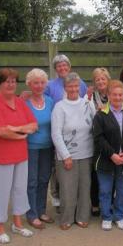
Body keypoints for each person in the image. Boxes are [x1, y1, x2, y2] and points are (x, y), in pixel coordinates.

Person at [0, 68, 37, 244]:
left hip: (20, 155)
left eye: (14, 81)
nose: (11, 84)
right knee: (1, 192)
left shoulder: (20, 103)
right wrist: (21, 132)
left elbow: (34, 125)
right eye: (7, 81)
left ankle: (17, 223)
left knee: (20, 190)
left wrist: (14, 129)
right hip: (0, 157)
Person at [93, 80, 123, 231]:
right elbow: (98, 138)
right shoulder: (101, 115)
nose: (118, 97)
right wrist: (112, 155)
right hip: (106, 160)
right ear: (108, 95)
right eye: (114, 94)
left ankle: (119, 216)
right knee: (105, 190)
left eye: (120, 94)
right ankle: (106, 216)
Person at [51, 72, 95, 230]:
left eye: (76, 86)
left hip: (87, 152)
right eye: (70, 86)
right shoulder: (59, 107)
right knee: (67, 188)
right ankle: (67, 218)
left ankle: (82, 216)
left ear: (80, 87)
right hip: (67, 155)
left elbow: (95, 122)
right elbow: (56, 134)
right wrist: (65, 155)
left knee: (85, 187)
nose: (73, 88)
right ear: (65, 87)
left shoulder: (87, 104)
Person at [46, 54, 88, 213]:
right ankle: (57, 198)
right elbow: (43, 99)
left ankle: (74, 200)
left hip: (76, 133)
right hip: (57, 128)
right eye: (59, 66)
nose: (62, 68)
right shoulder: (50, 85)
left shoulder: (80, 82)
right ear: (55, 69)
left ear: (69, 67)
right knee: (57, 167)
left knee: (77, 170)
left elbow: (83, 102)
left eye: (65, 65)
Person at [24, 69, 55, 229]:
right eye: (36, 82)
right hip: (30, 147)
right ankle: (32, 213)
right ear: (29, 84)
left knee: (44, 179)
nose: (39, 85)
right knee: (32, 181)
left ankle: (42, 210)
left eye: (42, 82)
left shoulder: (50, 101)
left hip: (47, 147)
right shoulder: (24, 102)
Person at [88, 67, 111, 217]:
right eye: (98, 79)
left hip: (112, 139)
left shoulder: (113, 94)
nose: (101, 81)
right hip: (96, 140)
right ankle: (95, 203)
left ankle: (111, 201)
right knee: (96, 172)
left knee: (112, 171)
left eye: (103, 78)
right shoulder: (90, 97)